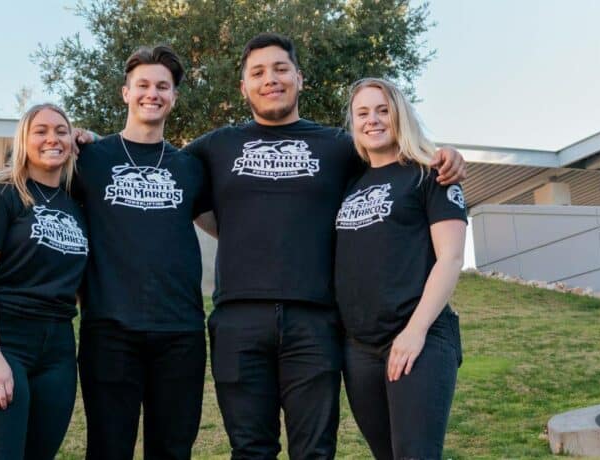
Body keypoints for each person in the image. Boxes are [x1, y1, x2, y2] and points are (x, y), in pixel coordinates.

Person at [181, 33, 466, 459]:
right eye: (257, 72)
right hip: (238, 320)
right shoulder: (215, 146)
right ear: (243, 86)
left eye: (281, 69)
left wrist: (444, 153)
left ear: (300, 78)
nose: (270, 79)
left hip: (315, 323)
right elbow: (163, 177)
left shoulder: (340, 147)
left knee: (315, 451)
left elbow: (394, 158)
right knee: (250, 449)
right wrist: (87, 143)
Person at [73, 46, 211, 460]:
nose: (153, 93)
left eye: (162, 87)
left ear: (173, 97)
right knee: (108, 449)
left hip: (181, 331)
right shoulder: (90, 158)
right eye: (144, 85)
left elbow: (231, 220)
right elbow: (32, 178)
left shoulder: (190, 167)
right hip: (109, 329)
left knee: (173, 450)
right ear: (125, 93)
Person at [0, 103, 88, 459]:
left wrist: (92, 138)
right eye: (40, 131)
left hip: (57, 348)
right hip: (1, 338)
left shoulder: (80, 204)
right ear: (23, 139)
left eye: (61, 130)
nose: (51, 138)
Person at [335, 77, 466, 459]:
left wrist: (415, 331)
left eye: (382, 110)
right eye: (362, 113)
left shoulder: (431, 175)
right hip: (360, 348)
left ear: (400, 116)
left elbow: (451, 258)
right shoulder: (350, 184)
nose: (373, 120)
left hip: (418, 339)